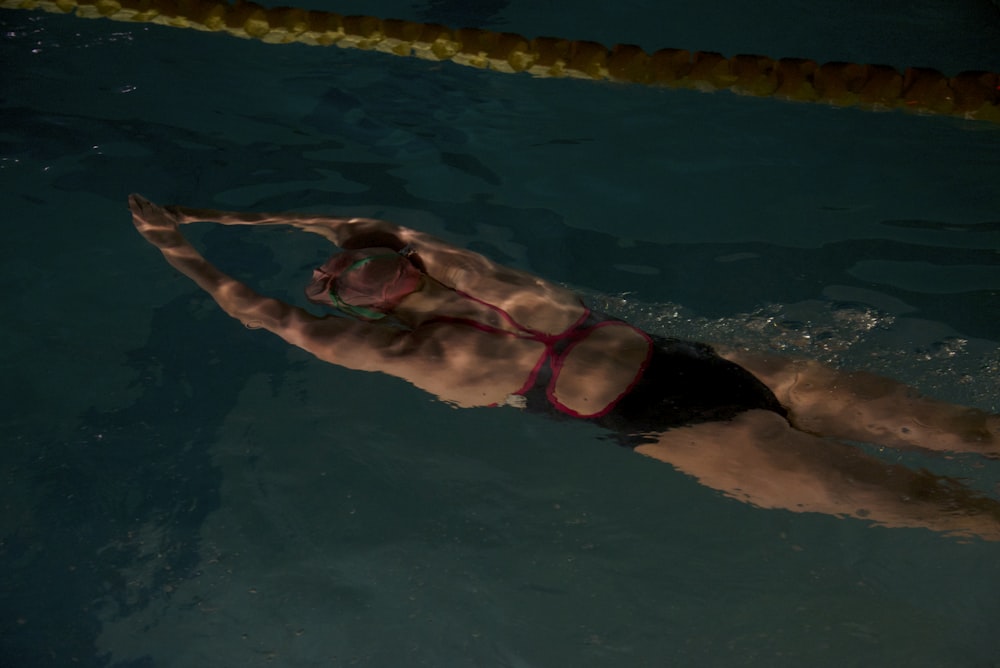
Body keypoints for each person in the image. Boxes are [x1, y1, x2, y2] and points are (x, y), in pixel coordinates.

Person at [129, 194, 1000, 540]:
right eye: (351, 281)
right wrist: (179, 251)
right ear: (349, 307)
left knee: (970, 432)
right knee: (935, 506)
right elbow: (260, 311)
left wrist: (233, 217)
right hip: (682, 430)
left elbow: (361, 219)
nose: (372, 272)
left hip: (714, 363)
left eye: (372, 259)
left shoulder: (474, 275)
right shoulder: (390, 348)